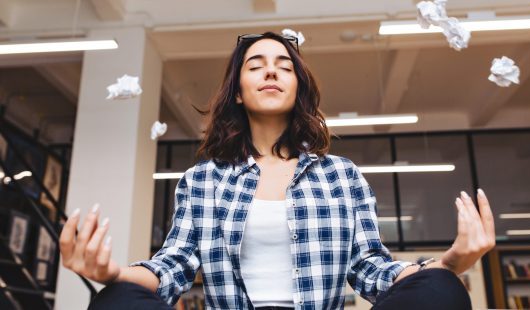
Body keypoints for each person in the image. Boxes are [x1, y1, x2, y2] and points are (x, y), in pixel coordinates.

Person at [59, 32, 496, 310]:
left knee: (442, 291)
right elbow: (172, 268)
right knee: (116, 300)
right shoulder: (203, 179)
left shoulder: (341, 176)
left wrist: (449, 263)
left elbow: (371, 269)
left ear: (298, 88)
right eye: (256, 65)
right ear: (238, 94)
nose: (272, 69)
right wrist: (112, 274)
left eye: (285, 66)